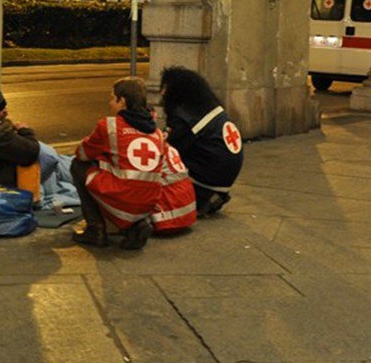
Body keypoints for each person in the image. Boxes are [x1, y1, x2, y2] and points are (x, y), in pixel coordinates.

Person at [71, 77, 165, 249]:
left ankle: (95, 229)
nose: (109, 103)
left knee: (78, 166)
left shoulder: (110, 126)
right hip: (149, 203)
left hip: (123, 197)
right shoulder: (157, 132)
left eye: (112, 98)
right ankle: (135, 226)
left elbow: (82, 153)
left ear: (122, 101)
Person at [159, 66, 244, 217]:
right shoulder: (212, 108)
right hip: (221, 180)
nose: (162, 93)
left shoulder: (185, 118)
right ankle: (212, 196)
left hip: (204, 180)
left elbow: (169, 151)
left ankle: (201, 197)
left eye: (165, 88)